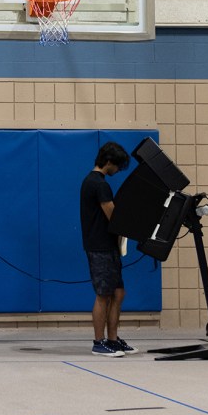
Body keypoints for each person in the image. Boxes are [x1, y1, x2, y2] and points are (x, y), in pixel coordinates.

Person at [80, 141, 138, 358]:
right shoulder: (98, 184)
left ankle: (113, 340)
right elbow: (114, 218)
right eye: (117, 166)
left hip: (107, 246)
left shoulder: (93, 181)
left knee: (118, 292)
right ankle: (98, 342)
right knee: (103, 294)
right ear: (109, 162)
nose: (118, 170)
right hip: (100, 246)